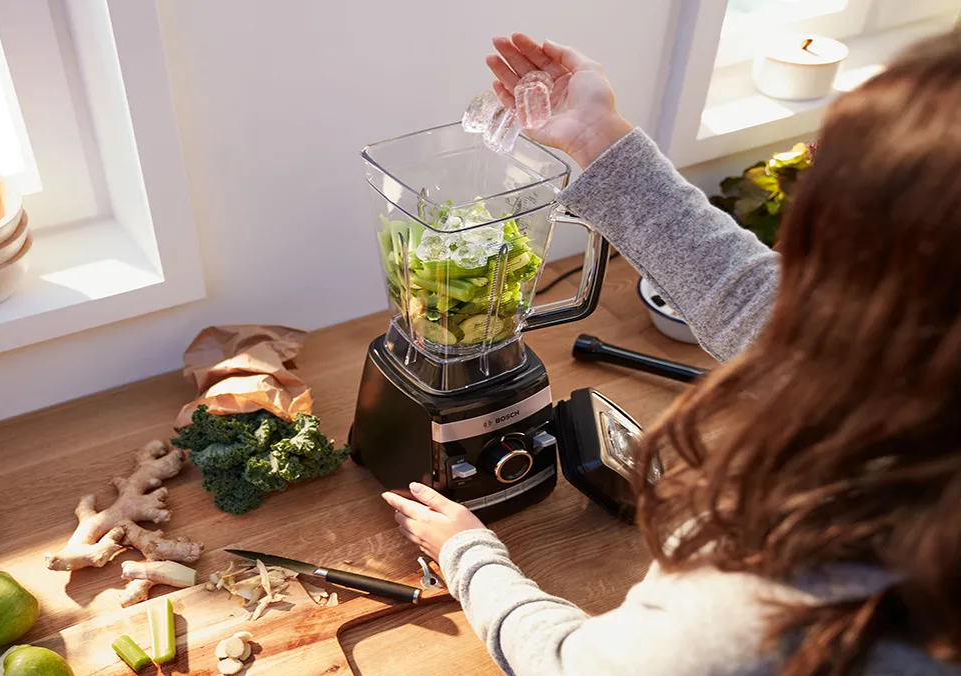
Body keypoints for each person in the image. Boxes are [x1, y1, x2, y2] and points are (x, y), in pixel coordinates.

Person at [383, 32, 961, 676]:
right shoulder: (925, 386)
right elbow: (761, 305)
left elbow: (572, 665)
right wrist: (595, 135)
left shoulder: (778, 605)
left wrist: (470, 555)